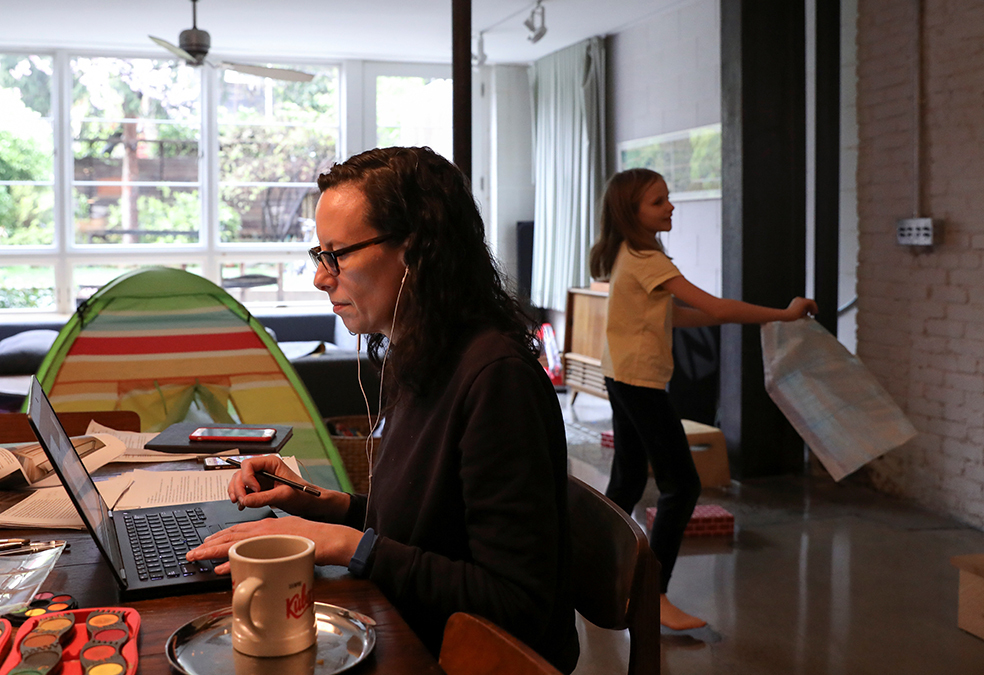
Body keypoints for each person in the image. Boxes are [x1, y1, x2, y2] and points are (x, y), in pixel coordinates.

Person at [186, 146, 580, 672]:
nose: (321, 278)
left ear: (417, 252)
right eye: (318, 255)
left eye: (338, 254)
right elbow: (424, 530)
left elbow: (515, 603)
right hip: (409, 627)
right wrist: (320, 505)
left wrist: (346, 544)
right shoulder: (421, 355)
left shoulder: (496, 380)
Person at [589, 167, 818, 631]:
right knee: (682, 486)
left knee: (629, 481)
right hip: (639, 382)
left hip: (620, 375)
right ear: (631, 211)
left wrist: (724, 320)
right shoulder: (648, 259)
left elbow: (675, 317)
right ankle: (652, 593)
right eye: (658, 201)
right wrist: (783, 316)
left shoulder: (627, 254)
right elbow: (713, 305)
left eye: (667, 198)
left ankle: (595, 573)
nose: (670, 206)